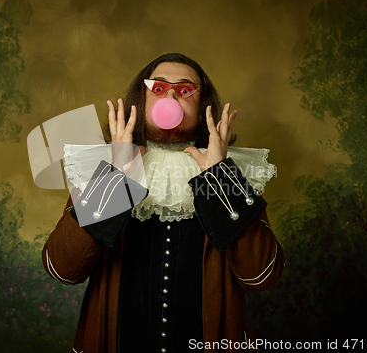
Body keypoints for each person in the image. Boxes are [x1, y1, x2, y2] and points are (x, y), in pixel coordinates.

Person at [42, 53, 284, 353]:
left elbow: (261, 274)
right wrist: (115, 177)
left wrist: (220, 179)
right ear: (141, 102)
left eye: (184, 90)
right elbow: (62, 269)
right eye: (157, 88)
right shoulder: (101, 170)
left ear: (203, 106)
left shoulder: (233, 176)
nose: (170, 95)